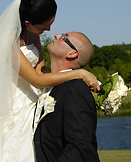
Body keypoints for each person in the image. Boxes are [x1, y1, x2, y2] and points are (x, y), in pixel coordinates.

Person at [0, 0, 99, 162]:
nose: (49, 29)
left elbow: (41, 71)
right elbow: (37, 80)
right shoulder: (9, 42)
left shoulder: (33, 34)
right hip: (14, 103)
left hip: (33, 101)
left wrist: (68, 75)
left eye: (51, 22)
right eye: (44, 26)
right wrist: (79, 73)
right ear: (27, 22)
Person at [34, 32, 100, 162]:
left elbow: (79, 148)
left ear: (72, 54)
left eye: (64, 37)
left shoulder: (75, 89)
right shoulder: (51, 85)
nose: (57, 35)